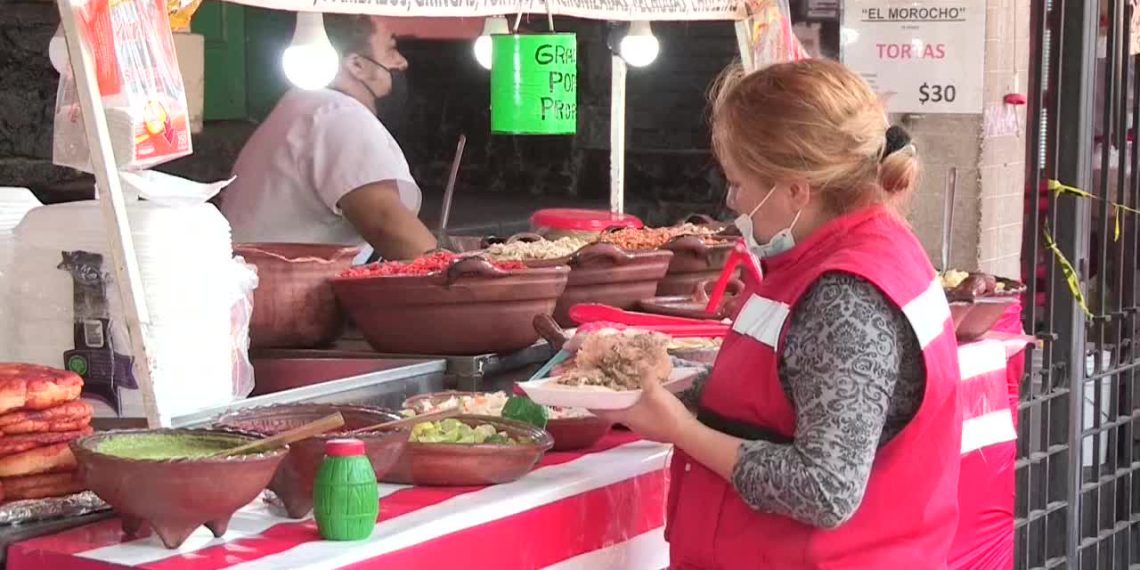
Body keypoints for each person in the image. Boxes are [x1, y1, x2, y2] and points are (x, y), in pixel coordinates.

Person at [597, 59, 963, 569]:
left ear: (796, 189)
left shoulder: (846, 296)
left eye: (739, 183)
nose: (732, 201)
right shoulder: (851, 248)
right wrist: (670, 382)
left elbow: (825, 488)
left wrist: (681, 429)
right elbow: (787, 392)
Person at [221, 15, 436, 260]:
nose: (402, 62)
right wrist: (462, 278)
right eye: (391, 50)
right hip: (282, 289)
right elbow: (386, 225)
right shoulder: (340, 116)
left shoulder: (305, 107)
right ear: (357, 65)